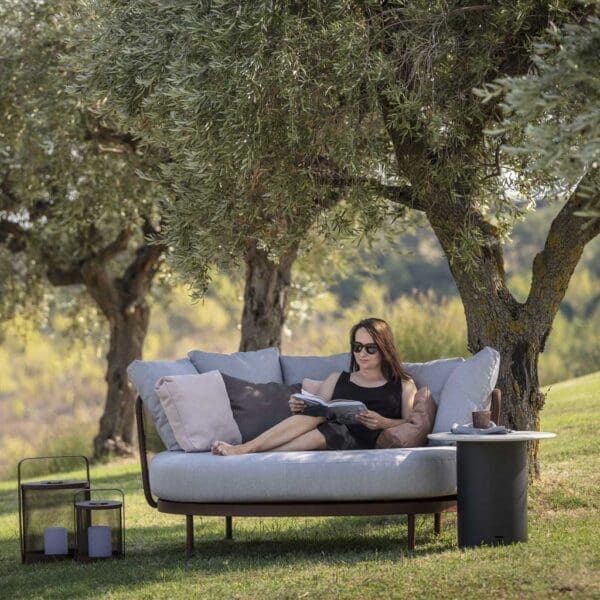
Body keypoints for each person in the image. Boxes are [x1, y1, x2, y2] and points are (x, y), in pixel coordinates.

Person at [211, 317, 417, 456]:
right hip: (330, 432)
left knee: (332, 430)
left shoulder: (403, 385)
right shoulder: (338, 378)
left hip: (364, 441)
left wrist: (383, 422)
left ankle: (247, 451)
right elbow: (317, 409)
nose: (362, 354)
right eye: (357, 347)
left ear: (384, 349)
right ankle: (250, 450)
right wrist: (301, 405)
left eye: (371, 348)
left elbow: (410, 421)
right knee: (317, 415)